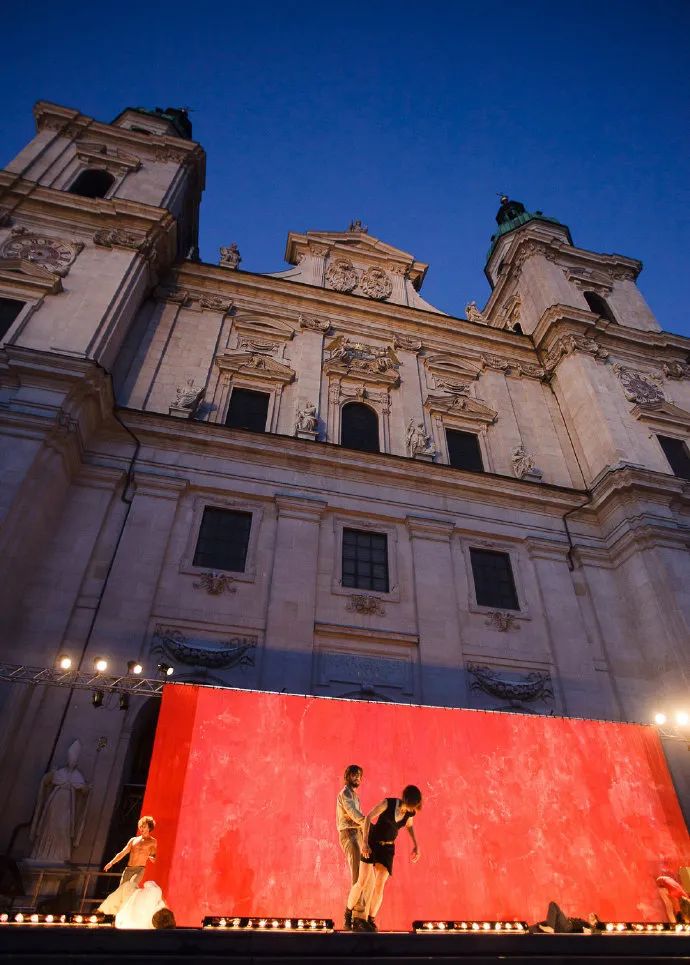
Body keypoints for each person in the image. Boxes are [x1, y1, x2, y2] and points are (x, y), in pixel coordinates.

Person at [346, 784, 422, 932]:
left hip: (388, 849)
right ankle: (347, 914)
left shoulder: (410, 813)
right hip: (373, 843)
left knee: (380, 886)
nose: (410, 810)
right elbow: (368, 818)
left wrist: (416, 844)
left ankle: (370, 919)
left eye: (413, 807)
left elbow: (409, 825)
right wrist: (365, 843)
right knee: (362, 882)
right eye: (409, 806)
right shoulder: (388, 803)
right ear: (404, 800)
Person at [97, 816, 157, 915]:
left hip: (139, 869)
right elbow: (122, 853)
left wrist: (149, 856)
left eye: (144, 826)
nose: (142, 829)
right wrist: (111, 862)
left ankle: (131, 913)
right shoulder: (133, 840)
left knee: (131, 887)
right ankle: (117, 914)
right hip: (128, 869)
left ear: (149, 827)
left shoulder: (152, 841)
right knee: (121, 892)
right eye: (140, 826)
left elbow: (154, 858)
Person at [337, 765, 366, 930]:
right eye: (355, 775)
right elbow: (354, 814)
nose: (357, 778)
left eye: (359, 776)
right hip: (349, 834)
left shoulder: (354, 795)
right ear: (348, 776)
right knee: (357, 875)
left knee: (363, 875)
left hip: (358, 835)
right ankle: (352, 917)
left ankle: (359, 916)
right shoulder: (345, 794)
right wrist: (367, 822)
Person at [531, 901, 604, 934]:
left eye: (594, 918)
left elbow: (599, 932)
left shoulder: (589, 927)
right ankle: (527, 929)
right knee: (540, 925)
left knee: (553, 904)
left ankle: (550, 927)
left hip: (567, 926)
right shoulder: (584, 922)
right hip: (561, 927)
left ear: (596, 923)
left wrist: (590, 929)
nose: (592, 916)